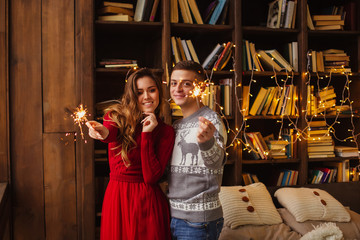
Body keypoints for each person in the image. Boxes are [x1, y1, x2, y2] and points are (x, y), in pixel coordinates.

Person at [86, 68, 175, 240]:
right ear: (132, 95)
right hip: (118, 198)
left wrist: (147, 134)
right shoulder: (115, 116)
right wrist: (100, 131)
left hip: (149, 202)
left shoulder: (166, 132)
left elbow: (151, 177)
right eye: (139, 92)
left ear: (159, 91)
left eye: (152, 90)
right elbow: (109, 133)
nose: (147, 97)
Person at [167, 60, 228, 240]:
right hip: (173, 216)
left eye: (186, 84)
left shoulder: (211, 121)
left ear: (200, 88)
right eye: (173, 83)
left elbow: (217, 162)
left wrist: (207, 142)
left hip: (198, 222)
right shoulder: (176, 126)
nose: (177, 89)